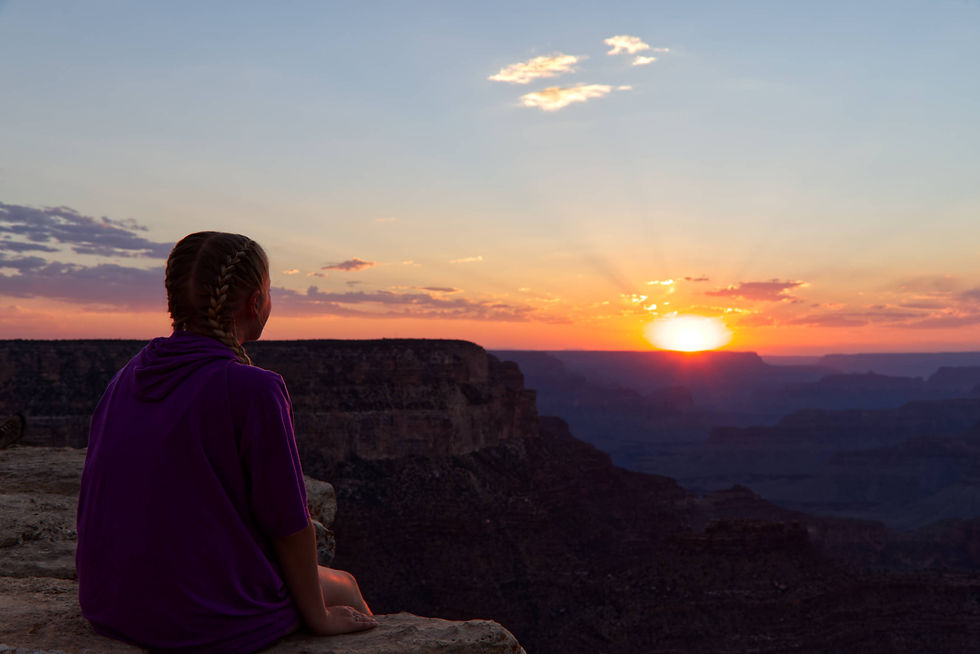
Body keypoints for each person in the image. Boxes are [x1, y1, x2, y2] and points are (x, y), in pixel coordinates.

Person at [76, 232, 376, 653]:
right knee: (344, 585)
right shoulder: (254, 389)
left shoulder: (127, 376)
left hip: (108, 602)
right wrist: (320, 618)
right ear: (255, 303)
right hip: (198, 617)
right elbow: (289, 523)